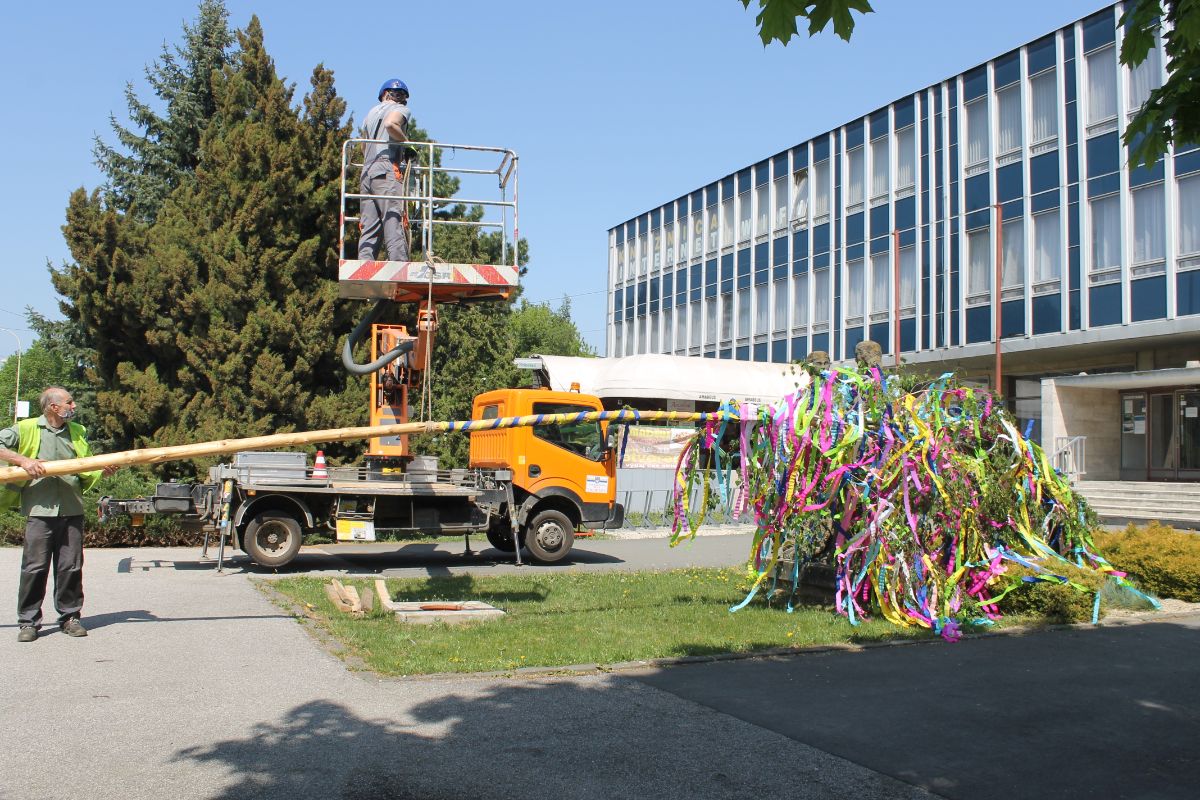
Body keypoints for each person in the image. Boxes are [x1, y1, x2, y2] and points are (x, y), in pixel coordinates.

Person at [0, 387, 118, 642]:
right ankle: (28, 622)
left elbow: (85, 464)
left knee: (71, 567)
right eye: (69, 402)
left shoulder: (77, 431)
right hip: (39, 511)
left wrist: (102, 470)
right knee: (34, 568)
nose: (73, 406)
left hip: (71, 509)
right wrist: (23, 461)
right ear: (53, 407)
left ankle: (70, 617)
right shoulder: (27, 428)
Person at [358, 78, 413, 263]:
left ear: (382, 94)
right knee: (393, 218)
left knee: (369, 226)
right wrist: (407, 144)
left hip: (367, 171)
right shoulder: (401, 110)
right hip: (386, 168)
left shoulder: (370, 113)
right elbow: (391, 124)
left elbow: (363, 146)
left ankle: (365, 268)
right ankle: (400, 267)